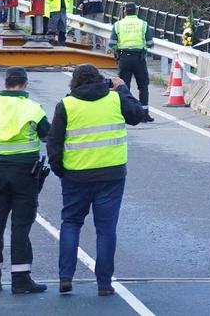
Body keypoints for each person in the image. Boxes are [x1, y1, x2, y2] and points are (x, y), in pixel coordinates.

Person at [48, 63, 149, 296]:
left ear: (73, 82)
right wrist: (123, 88)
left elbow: (54, 142)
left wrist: (60, 170)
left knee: (71, 224)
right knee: (106, 229)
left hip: (76, 174)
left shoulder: (66, 104)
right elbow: (137, 115)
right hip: (111, 174)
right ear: (100, 79)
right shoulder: (114, 99)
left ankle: (65, 277)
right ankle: (104, 283)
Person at [0, 66, 51, 293]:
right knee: (21, 227)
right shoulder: (33, 108)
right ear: (25, 84)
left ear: (5, 83)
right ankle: (20, 279)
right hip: (26, 174)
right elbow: (47, 136)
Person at [112, 8, 153, 106]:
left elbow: (112, 43)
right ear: (136, 12)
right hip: (139, 58)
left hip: (124, 58)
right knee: (143, 86)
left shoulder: (118, 24)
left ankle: (125, 110)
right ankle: (144, 113)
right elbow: (150, 43)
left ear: (125, 12)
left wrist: (118, 50)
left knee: (123, 86)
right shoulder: (143, 24)